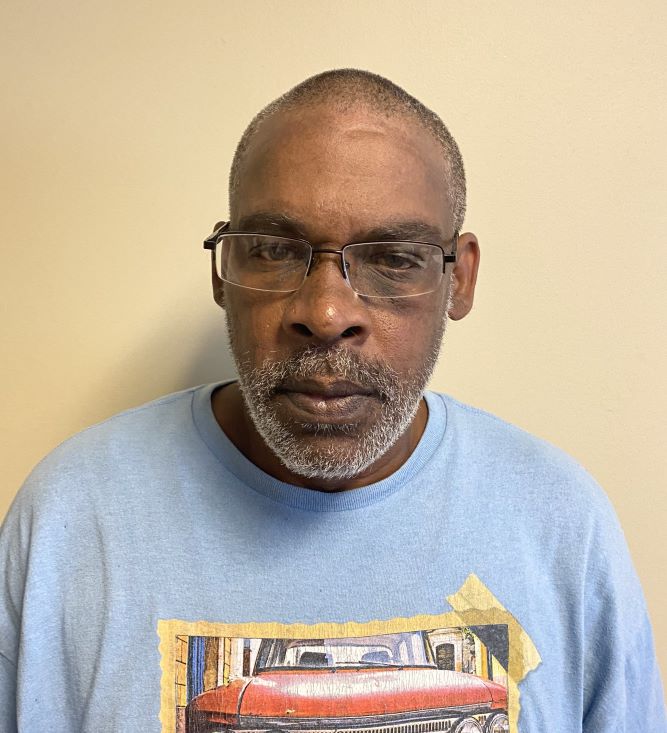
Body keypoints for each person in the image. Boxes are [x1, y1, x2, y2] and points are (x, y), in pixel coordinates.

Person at [0, 69, 664, 733]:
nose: (325, 313)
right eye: (272, 250)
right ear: (221, 273)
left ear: (458, 279)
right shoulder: (72, 520)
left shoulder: (560, 522)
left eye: (393, 258)